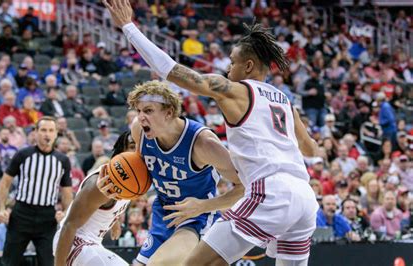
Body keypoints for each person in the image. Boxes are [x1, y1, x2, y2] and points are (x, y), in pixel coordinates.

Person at [103, 1, 318, 265]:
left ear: (248, 66)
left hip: (270, 190)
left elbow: (172, 71)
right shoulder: (285, 102)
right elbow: (311, 149)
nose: (228, 70)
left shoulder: (235, 90)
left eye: (232, 63)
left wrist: (128, 28)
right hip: (305, 197)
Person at [101, 80, 243, 265]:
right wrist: (116, 194)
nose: (141, 117)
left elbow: (246, 186)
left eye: (149, 110)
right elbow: (137, 175)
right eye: (139, 111)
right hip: (162, 213)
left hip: (195, 217)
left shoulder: (203, 143)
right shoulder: (139, 130)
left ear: (169, 112)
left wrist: (203, 206)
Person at [0, 116, 74, 266]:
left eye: (51, 130)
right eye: (43, 130)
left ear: (56, 133)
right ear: (36, 132)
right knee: (9, 261)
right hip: (21, 214)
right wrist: (1, 208)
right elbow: (5, 182)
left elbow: (67, 192)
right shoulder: (23, 154)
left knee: (49, 262)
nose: (47, 134)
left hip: (47, 217)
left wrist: (65, 213)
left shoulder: (63, 160)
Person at [53, 131, 135, 266]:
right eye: (132, 146)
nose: (138, 151)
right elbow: (69, 225)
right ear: (121, 152)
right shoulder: (103, 182)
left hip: (93, 242)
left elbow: (106, 205)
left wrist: (115, 223)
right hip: (74, 241)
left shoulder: (133, 179)